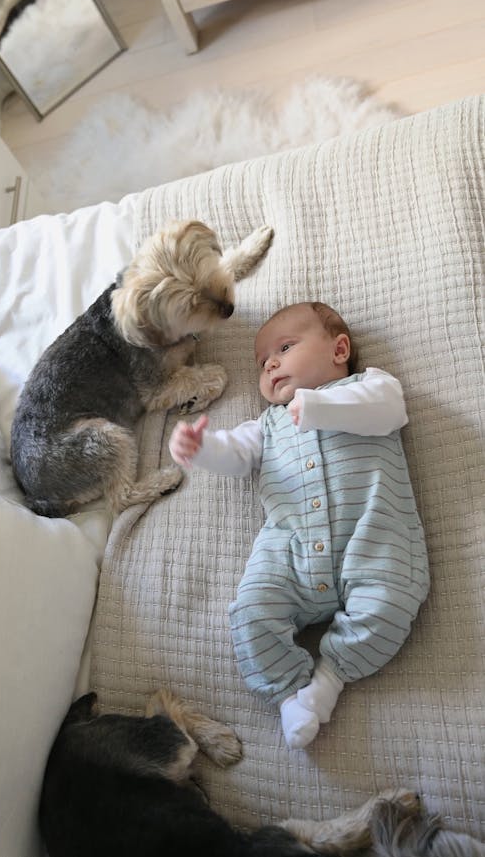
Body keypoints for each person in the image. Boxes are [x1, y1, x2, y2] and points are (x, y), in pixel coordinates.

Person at [169, 302, 429, 749]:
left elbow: (389, 410)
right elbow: (233, 454)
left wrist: (317, 406)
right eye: (262, 362)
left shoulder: (370, 387)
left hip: (372, 541)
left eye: (285, 348)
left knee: (392, 601)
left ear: (339, 349)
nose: (270, 363)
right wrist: (200, 447)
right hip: (290, 551)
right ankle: (291, 693)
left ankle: (329, 679)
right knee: (249, 613)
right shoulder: (266, 425)